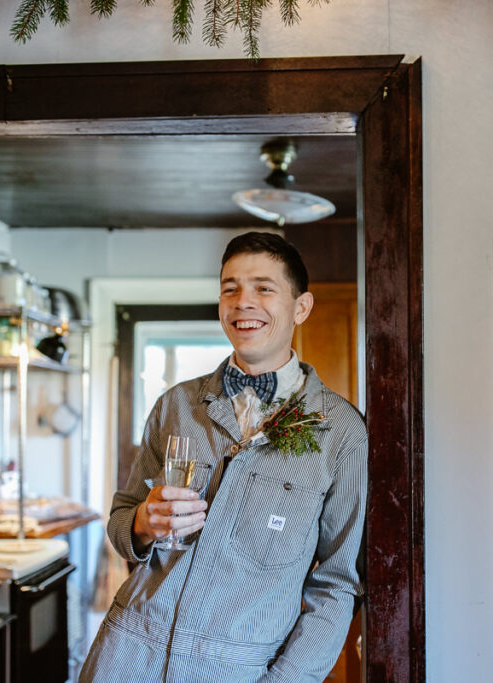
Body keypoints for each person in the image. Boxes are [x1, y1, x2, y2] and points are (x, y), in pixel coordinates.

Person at [80, 232, 368, 682]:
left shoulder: (342, 431)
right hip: (124, 657)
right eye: (230, 288)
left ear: (301, 307)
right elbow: (120, 523)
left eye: (263, 288)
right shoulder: (175, 405)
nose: (242, 302)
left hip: (237, 670)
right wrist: (141, 523)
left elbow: (337, 584)